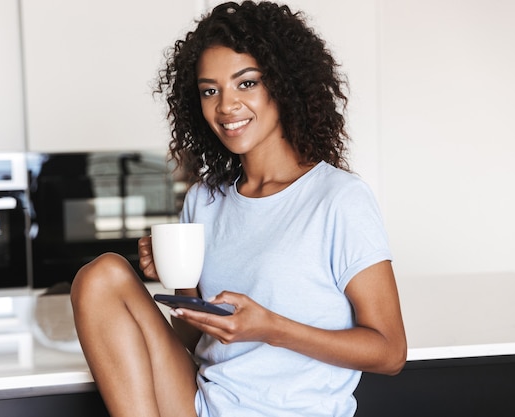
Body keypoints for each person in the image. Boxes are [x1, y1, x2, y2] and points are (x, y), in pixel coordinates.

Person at [70, 1, 407, 416]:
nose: (226, 105)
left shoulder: (338, 199)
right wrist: (179, 281)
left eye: (246, 83)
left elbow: (390, 352)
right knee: (100, 276)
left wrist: (271, 328)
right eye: (210, 90)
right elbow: (192, 342)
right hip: (204, 405)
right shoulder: (204, 200)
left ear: (283, 86)